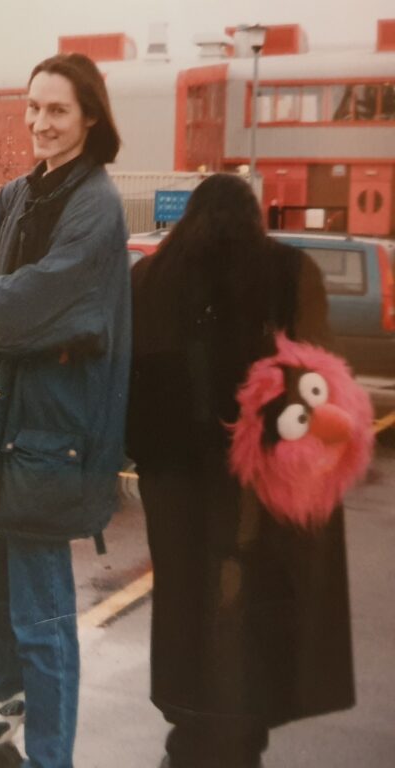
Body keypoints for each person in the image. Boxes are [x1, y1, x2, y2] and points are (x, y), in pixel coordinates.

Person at [127, 174, 355, 768]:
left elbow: (130, 378)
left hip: (170, 471)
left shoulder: (149, 278)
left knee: (180, 587)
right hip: (259, 471)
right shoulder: (286, 272)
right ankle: (243, 715)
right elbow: (319, 369)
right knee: (248, 588)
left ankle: (183, 704)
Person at [0, 54, 130, 767]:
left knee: (46, 619)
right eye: (34, 109)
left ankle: (53, 757)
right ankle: (11, 699)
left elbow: (38, 304)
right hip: (4, 426)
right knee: (8, 590)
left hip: (54, 438)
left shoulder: (97, 205)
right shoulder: (19, 195)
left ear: (89, 116)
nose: (42, 123)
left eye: (57, 110)